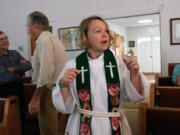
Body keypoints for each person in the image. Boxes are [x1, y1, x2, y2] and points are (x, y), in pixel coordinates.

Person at [52, 16, 149, 135]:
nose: (105, 35)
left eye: (106, 31)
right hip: (82, 126)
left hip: (111, 127)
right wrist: (63, 84)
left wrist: (134, 74)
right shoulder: (72, 65)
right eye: (98, 31)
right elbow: (64, 108)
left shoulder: (118, 63)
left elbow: (135, 97)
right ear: (85, 37)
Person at [26, 11, 67, 135]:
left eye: (28, 26)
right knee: (57, 127)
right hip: (58, 89)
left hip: (47, 91)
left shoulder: (43, 41)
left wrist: (35, 98)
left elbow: (46, 73)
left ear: (35, 25)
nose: (28, 30)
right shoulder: (53, 38)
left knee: (48, 129)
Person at [0, 30, 32, 134]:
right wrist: (20, 72)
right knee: (8, 120)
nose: (5, 41)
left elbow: (28, 65)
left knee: (21, 116)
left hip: (18, 88)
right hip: (4, 91)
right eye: (1, 39)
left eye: (6, 38)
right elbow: (5, 77)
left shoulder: (15, 53)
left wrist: (14, 68)